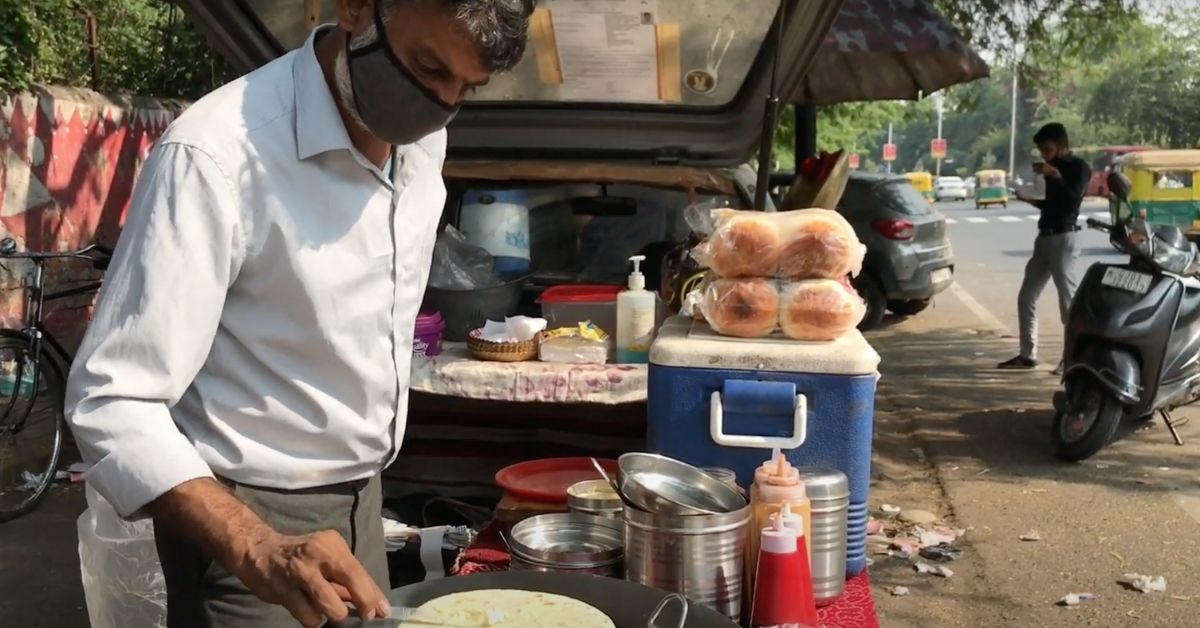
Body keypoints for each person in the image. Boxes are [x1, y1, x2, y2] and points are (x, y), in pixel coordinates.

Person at [64, 1, 533, 626]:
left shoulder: (423, 143)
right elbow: (110, 399)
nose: (438, 104)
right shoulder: (217, 156)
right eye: (425, 68)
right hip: (247, 537)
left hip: (363, 508)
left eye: (464, 89)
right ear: (357, 9)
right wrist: (257, 545)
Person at [998, 123, 1091, 372]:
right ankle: (1027, 354)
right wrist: (1031, 199)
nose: (1044, 155)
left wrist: (1056, 176)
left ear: (1061, 146)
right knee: (1026, 297)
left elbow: (1072, 202)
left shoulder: (1077, 167)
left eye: (1047, 149)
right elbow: (1052, 204)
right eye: (1041, 150)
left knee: (1067, 301)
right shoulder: (1051, 170)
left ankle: (1072, 358)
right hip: (1044, 237)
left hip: (1065, 237)